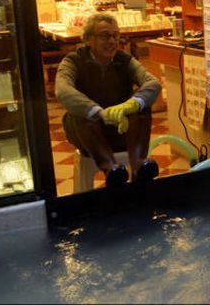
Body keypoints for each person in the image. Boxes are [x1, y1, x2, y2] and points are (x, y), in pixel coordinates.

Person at [55, 13, 162, 188]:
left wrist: (132, 104)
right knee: (80, 113)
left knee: (142, 106)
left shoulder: (124, 59)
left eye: (115, 35)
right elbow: (62, 90)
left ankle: (138, 166)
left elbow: (153, 83)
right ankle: (111, 169)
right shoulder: (73, 61)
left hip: (120, 130)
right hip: (88, 134)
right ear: (88, 39)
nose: (112, 41)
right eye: (105, 36)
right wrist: (97, 111)